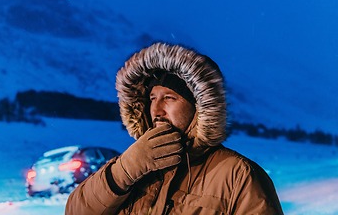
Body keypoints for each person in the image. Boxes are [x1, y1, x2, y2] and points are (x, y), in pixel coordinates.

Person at [65, 43, 284, 215]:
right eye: (152, 99)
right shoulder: (131, 168)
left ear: (199, 107)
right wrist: (123, 171)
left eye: (169, 98)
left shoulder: (239, 176)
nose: (156, 110)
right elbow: (74, 211)